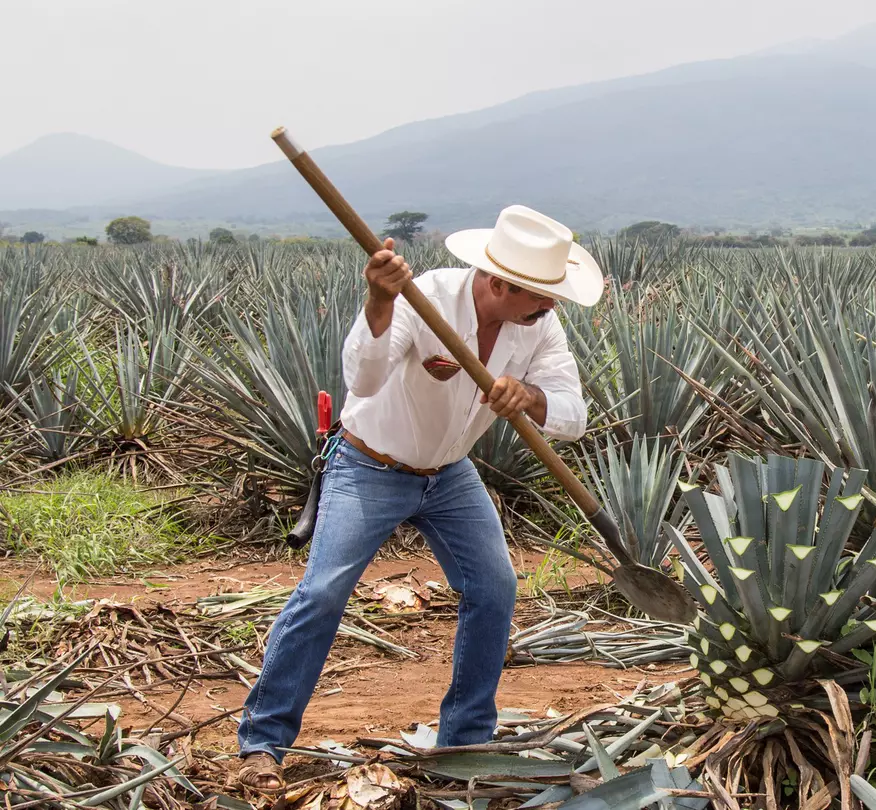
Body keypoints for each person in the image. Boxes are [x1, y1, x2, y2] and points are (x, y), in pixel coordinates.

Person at [237, 205, 603, 794]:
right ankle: (263, 741)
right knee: (325, 590)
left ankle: (465, 739)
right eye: (539, 295)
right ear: (498, 282)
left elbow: (572, 414)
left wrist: (529, 396)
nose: (550, 306)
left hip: (450, 473)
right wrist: (380, 304)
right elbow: (364, 378)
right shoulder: (422, 296)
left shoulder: (539, 327)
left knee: (495, 585)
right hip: (369, 466)